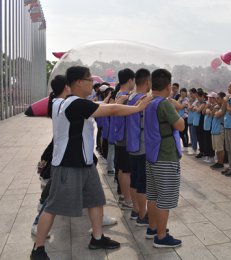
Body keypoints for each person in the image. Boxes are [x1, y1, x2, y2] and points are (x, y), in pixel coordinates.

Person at [30, 66, 152, 260]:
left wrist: (113, 103)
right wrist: (137, 108)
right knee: (53, 206)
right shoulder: (74, 104)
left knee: (96, 200)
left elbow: (100, 107)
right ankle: (38, 248)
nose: (92, 84)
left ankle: (97, 237)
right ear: (79, 82)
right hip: (68, 165)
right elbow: (110, 109)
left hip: (85, 163)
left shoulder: (62, 102)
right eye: (89, 80)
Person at [144, 69, 184, 248]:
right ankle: (161, 236)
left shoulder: (149, 102)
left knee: (152, 195)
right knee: (165, 198)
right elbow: (180, 126)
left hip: (152, 155)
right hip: (166, 156)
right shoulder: (165, 104)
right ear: (169, 86)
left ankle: (152, 227)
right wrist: (177, 109)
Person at [125, 68, 152, 226]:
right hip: (142, 145)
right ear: (147, 82)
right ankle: (143, 215)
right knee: (142, 183)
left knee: (134, 180)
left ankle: (136, 210)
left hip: (132, 143)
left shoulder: (131, 97)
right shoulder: (144, 99)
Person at [113, 69, 136, 212]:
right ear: (130, 80)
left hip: (119, 136)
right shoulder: (125, 97)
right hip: (125, 138)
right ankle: (128, 200)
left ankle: (123, 195)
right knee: (126, 170)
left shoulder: (119, 95)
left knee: (122, 169)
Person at [210, 92, 226, 169]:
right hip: (214, 129)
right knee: (216, 147)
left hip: (220, 129)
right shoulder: (216, 106)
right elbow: (211, 114)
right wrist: (215, 109)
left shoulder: (224, 106)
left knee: (220, 147)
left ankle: (221, 162)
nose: (216, 100)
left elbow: (217, 114)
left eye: (218, 98)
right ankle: (218, 162)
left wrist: (216, 109)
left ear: (223, 99)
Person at [187, 88, 198, 155]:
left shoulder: (196, 101)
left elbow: (191, 108)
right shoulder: (190, 101)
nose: (190, 95)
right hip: (190, 120)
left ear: (195, 93)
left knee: (194, 135)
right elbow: (189, 109)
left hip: (194, 120)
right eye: (190, 93)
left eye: (191, 93)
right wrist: (189, 104)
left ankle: (195, 148)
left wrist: (189, 104)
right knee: (191, 134)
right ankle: (193, 148)